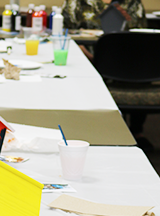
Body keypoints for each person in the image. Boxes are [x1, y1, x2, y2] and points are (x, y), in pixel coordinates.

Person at [62, 0, 153, 152]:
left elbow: (141, 34)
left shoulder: (132, 3)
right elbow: (66, 32)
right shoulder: (77, 2)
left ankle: (137, 131)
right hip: (86, 59)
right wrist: (91, 57)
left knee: (139, 72)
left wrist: (128, 20)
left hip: (125, 61)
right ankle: (88, 130)